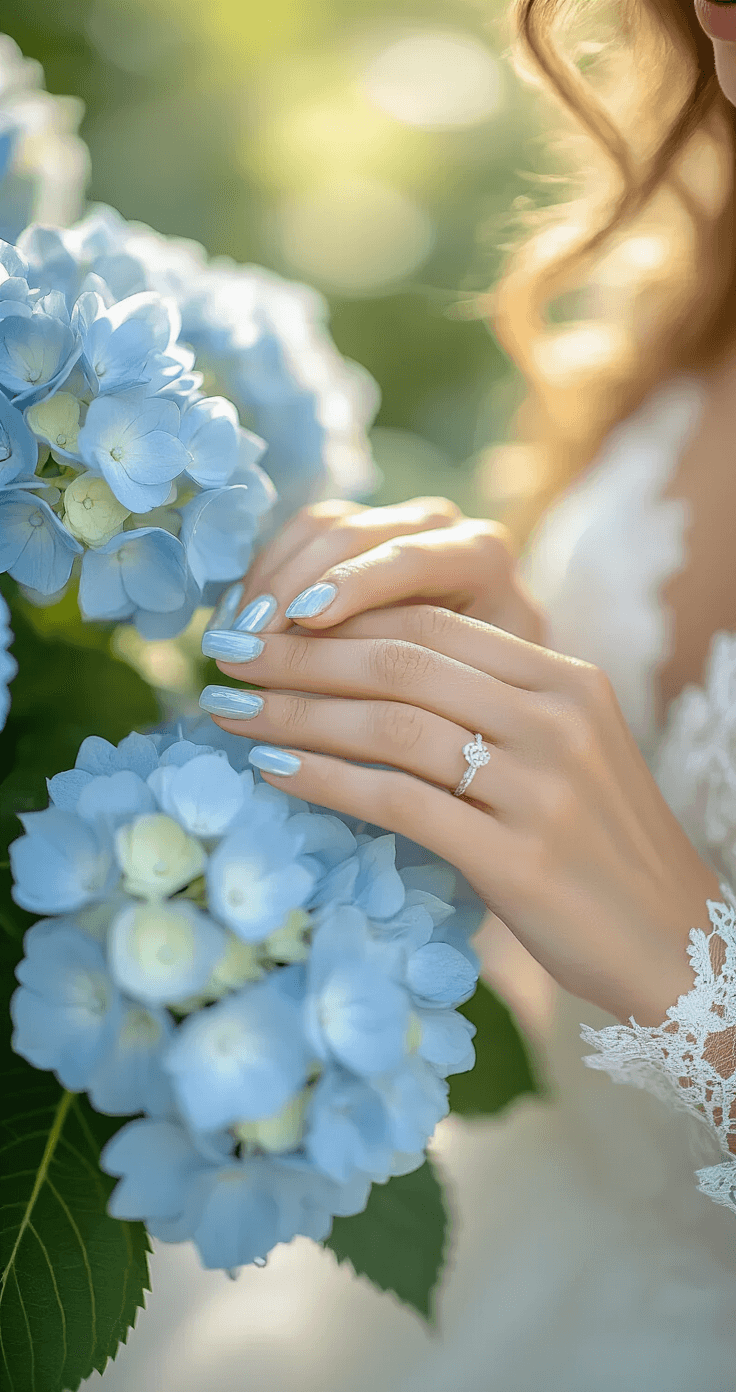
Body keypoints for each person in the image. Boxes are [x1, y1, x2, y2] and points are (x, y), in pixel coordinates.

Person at [90, 3, 736, 1390]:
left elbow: (654, 953)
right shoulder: (706, 266)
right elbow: (550, 988)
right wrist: (467, 755)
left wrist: (696, 974)